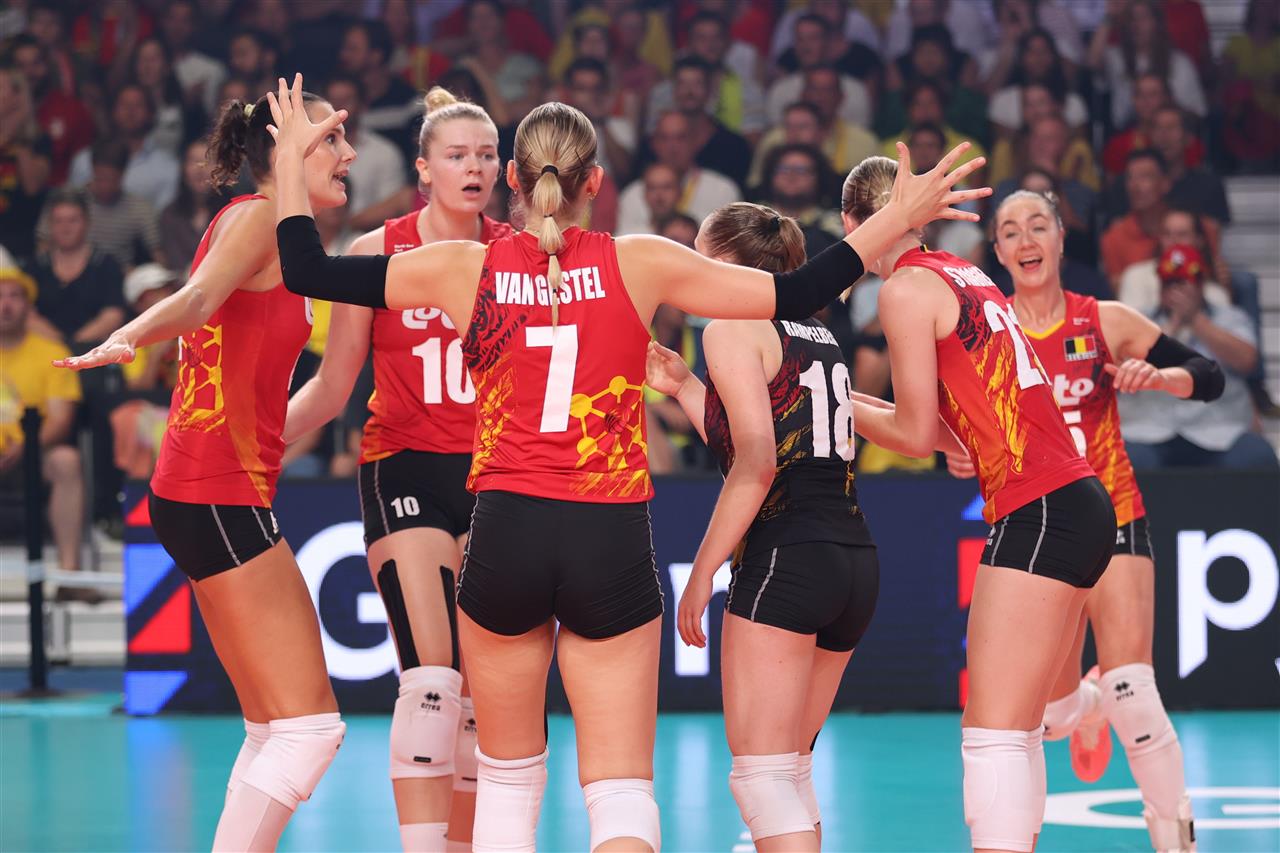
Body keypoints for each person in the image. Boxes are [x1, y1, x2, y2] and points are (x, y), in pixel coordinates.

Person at [268, 72, 987, 853]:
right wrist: (896, 220)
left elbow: (306, 268)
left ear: (512, 180)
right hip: (607, 533)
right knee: (620, 790)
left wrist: (288, 162)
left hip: (505, 528)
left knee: (507, 781)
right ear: (596, 184)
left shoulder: (460, 266)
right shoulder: (640, 260)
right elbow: (799, 290)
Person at [54, 88, 356, 851]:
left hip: (208, 490)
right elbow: (195, 301)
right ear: (286, 148)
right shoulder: (258, 218)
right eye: (331, 138)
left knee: (273, 727)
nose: (348, 154)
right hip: (216, 491)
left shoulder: (273, 231)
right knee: (311, 727)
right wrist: (130, 334)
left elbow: (278, 386)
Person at [839, 156, 1114, 853]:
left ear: (852, 224)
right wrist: (940, 430)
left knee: (992, 733)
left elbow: (909, 434)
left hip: (1039, 505)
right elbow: (949, 424)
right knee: (1023, 726)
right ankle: (1088, 704)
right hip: (1074, 497)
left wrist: (833, 398)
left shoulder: (904, 289)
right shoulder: (964, 273)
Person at [958, 189, 1226, 853]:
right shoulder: (989, 333)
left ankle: (1177, 838)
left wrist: (1161, 378)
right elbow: (954, 422)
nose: (1026, 239)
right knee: (1048, 717)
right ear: (998, 253)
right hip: (1038, 527)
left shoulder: (1101, 318)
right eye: (1010, 231)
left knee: (1134, 688)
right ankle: (1085, 706)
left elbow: (1208, 374)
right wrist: (958, 448)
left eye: (1038, 225)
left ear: (1060, 238)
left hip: (1113, 511)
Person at [284, 87, 511, 853]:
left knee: (482, 693)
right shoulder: (375, 252)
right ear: (423, 169)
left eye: (487, 155)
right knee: (433, 678)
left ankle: (464, 845)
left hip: (497, 475)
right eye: (457, 155)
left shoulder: (519, 255)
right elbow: (332, 387)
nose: (474, 167)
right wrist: (252, 442)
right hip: (405, 464)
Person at [647, 203, 884, 851]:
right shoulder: (816, 332)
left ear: (727, 261)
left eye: (699, 254)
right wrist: (685, 388)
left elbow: (756, 461)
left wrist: (703, 572)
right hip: (852, 558)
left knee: (761, 778)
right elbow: (768, 436)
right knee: (790, 768)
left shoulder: (731, 326)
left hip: (787, 556)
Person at [0, 256, 92, 603]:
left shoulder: (52, 353)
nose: (6, 305)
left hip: (33, 456)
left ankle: (69, 575)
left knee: (67, 461)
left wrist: (24, 447)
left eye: (15, 296)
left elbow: (61, 420)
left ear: (28, 307)